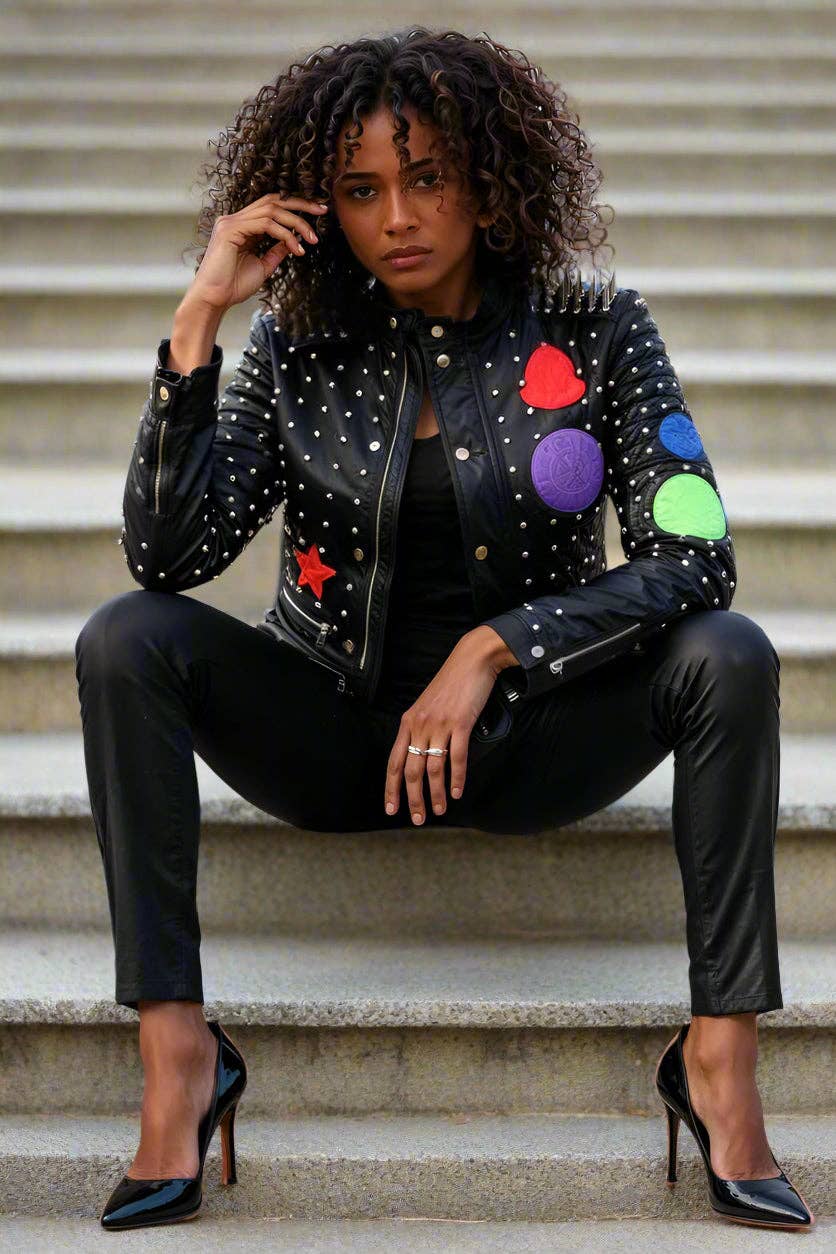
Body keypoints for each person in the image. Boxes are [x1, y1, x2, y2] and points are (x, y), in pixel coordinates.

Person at [74, 26, 814, 1232]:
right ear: (321, 208)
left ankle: (718, 1067)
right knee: (124, 637)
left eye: (426, 178)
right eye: (360, 190)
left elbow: (696, 559)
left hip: (534, 740)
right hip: (337, 740)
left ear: (490, 179)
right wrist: (200, 316)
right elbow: (168, 558)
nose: (398, 218)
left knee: (728, 655)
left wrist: (493, 649)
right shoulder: (296, 348)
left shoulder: (595, 329)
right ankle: (178, 1061)